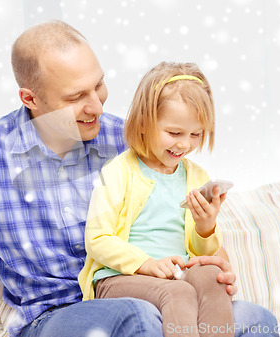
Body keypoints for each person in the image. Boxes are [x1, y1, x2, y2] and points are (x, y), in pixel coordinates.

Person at [0, 20, 278, 337]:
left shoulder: (128, 140)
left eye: (99, 85)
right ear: (30, 99)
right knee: (136, 320)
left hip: (152, 293)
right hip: (53, 317)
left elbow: (179, 217)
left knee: (256, 320)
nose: (96, 106)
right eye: (75, 98)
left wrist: (208, 259)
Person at [79, 62, 234, 337]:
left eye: (195, 134)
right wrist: (146, 263)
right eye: (174, 133)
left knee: (212, 279)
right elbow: (97, 240)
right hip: (120, 278)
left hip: (177, 272)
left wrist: (205, 228)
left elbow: (203, 253)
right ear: (143, 123)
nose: (185, 144)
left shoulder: (196, 176)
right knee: (179, 293)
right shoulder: (118, 172)